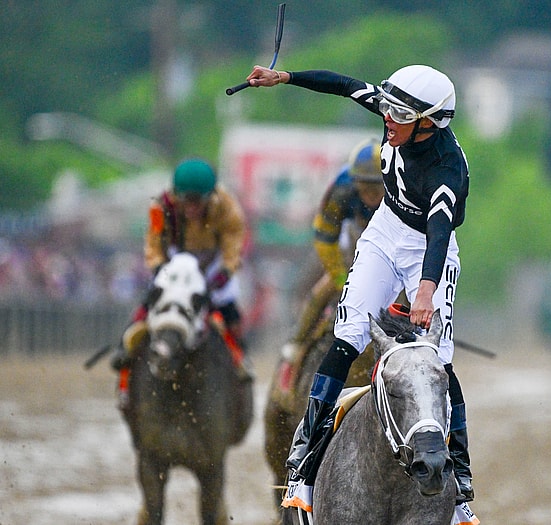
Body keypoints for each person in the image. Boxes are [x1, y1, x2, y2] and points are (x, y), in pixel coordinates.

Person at [246, 63, 474, 502]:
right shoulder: (399, 116)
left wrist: (425, 289)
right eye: (389, 111)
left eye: (400, 117)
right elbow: (346, 85)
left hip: (428, 248)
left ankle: (460, 471)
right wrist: (286, 77)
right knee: (346, 335)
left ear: (428, 123)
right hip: (384, 233)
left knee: (439, 361)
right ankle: (306, 443)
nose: (387, 119)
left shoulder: (447, 170)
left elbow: (441, 232)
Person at [112, 159, 250, 394]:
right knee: (150, 300)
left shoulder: (228, 207)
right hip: (174, 261)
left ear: (210, 196)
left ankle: (240, 359)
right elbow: (153, 243)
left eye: (198, 202)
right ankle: (125, 350)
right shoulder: (159, 207)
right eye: (187, 201)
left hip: (212, 263)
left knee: (229, 309)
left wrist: (224, 274)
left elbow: (234, 245)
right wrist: (159, 269)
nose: (192, 208)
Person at [276, 137, 384, 395]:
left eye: (376, 188)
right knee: (321, 290)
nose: (370, 195)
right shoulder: (342, 190)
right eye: (364, 187)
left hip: (388, 242)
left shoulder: (402, 187)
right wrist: (340, 279)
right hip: (349, 238)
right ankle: (296, 344)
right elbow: (325, 240)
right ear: (355, 182)